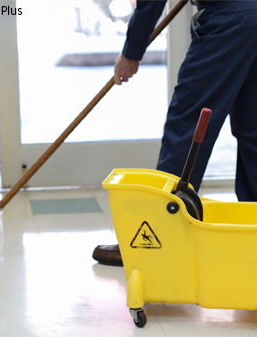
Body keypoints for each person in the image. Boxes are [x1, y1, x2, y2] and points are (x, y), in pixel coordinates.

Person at [93, 0, 257, 266]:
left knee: (187, 127)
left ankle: (155, 238)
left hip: (229, 21)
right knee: (254, 130)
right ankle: (253, 235)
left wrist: (131, 53)